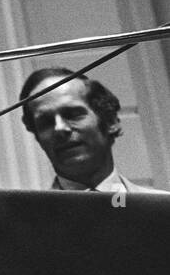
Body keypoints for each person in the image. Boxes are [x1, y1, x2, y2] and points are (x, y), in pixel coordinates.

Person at [19, 68, 166, 194]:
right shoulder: (18, 224)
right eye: (46, 122)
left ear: (110, 121)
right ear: (37, 137)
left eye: (72, 114)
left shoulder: (163, 210)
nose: (60, 128)